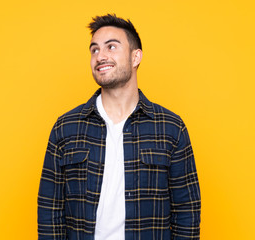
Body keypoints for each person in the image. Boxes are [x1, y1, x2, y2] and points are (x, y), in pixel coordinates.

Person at [38, 14, 201, 240]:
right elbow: (50, 211)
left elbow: (187, 211)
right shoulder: (66, 127)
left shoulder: (171, 128)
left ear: (136, 57)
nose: (100, 56)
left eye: (111, 47)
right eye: (94, 50)